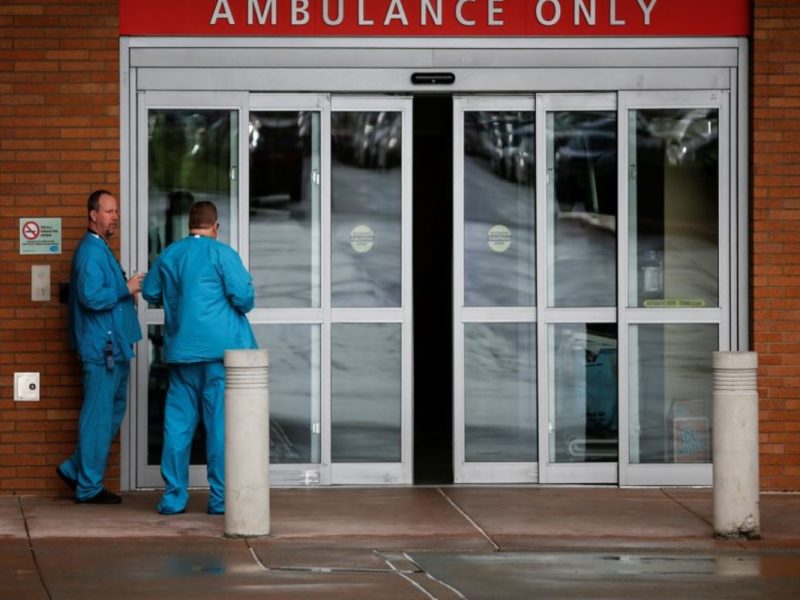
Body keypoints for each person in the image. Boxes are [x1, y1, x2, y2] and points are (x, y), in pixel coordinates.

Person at [142, 200, 257, 515]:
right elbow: (244, 299)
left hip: (181, 358)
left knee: (177, 428)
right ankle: (219, 500)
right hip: (219, 359)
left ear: (188, 225)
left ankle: (173, 497)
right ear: (215, 226)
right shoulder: (222, 254)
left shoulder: (170, 254)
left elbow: (150, 291)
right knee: (218, 429)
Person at [56, 190, 143, 504]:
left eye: (116, 211)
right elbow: (91, 297)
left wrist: (124, 291)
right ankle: (89, 486)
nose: (114, 217)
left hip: (114, 346)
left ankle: (74, 467)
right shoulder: (90, 252)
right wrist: (126, 288)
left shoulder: (101, 249)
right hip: (101, 348)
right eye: (108, 211)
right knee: (99, 416)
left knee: (112, 412)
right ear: (93, 215)